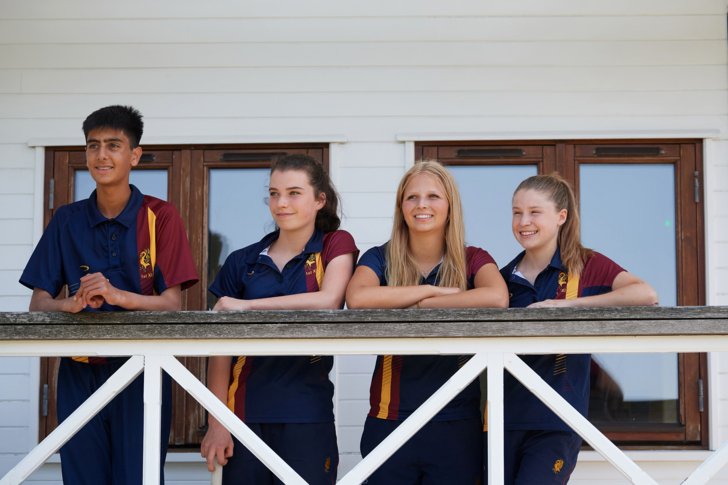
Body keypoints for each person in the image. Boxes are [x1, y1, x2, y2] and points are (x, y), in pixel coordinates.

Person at [19, 105, 199, 484]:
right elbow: (38, 303)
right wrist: (67, 304)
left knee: (140, 478)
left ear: (134, 155)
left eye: (113, 145)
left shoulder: (161, 216)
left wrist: (117, 295)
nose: (101, 155)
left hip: (143, 369)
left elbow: (171, 303)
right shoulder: (67, 219)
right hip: (79, 370)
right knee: (82, 478)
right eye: (93, 145)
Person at [485, 173, 658, 484]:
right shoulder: (503, 277)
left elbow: (645, 294)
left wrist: (566, 305)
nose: (524, 221)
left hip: (556, 423)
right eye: (516, 212)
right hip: (500, 422)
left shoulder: (587, 264)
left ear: (561, 216)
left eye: (535, 212)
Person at [346, 160, 509, 484]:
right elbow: (358, 297)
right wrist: (427, 290)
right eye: (412, 197)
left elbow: (497, 296)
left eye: (433, 196)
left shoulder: (473, 257)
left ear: (450, 206)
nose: (422, 205)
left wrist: (424, 304)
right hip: (389, 418)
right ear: (401, 207)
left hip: (456, 420)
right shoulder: (380, 257)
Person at [201, 154, 358, 484]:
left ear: (320, 200)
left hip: (307, 412)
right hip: (243, 415)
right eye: (274, 193)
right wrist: (217, 422)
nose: (281, 203)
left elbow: (329, 300)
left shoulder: (335, 244)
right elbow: (220, 353)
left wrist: (247, 307)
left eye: (294, 193)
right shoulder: (241, 261)